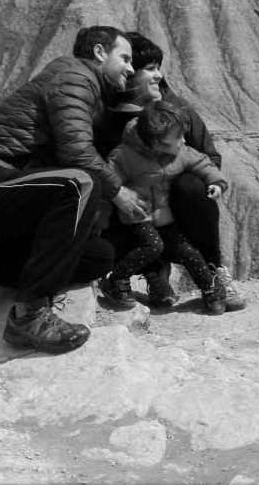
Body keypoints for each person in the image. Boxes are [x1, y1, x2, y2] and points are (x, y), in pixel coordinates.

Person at [0, 25, 148, 354]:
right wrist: (119, 192)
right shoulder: (74, 75)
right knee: (80, 182)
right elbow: (78, 153)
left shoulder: (86, 89)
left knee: (96, 256)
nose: (131, 68)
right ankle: (28, 315)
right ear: (100, 53)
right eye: (125, 58)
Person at [99, 31, 246, 311]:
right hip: (138, 213)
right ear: (129, 75)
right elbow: (107, 173)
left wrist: (171, 177)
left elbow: (209, 157)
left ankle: (214, 272)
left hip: (175, 206)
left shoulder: (178, 113)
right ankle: (153, 272)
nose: (159, 75)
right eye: (150, 69)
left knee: (191, 185)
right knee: (115, 197)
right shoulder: (111, 120)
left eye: (159, 68)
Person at [98, 100, 233, 314]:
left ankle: (211, 288)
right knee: (153, 247)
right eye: (178, 137)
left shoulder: (179, 152)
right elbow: (108, 184)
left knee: (189, 253)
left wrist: (216, 182)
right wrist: (101, 222)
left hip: (165, 219)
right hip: (138, 218)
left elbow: (202, 162)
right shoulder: (124, 156)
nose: (183, 140)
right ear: (156, 142)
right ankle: (116, 279)